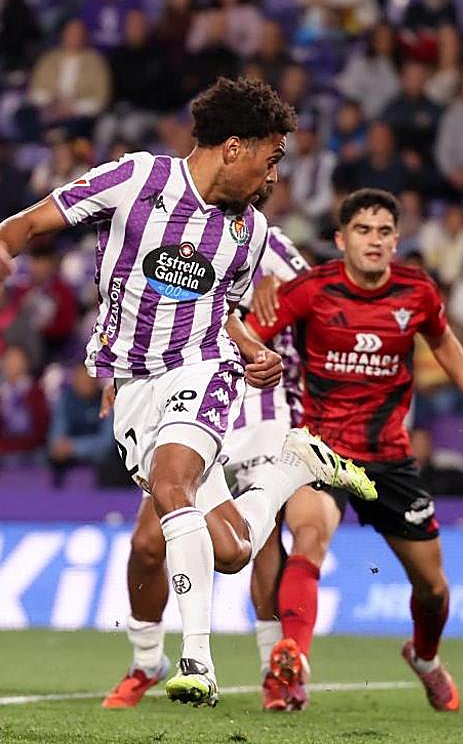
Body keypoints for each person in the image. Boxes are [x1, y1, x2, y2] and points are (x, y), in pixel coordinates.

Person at [0, 77, 376, 708]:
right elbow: (22, 227)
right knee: (229, 550)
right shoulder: (136, 180)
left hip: (201, 371)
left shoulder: (250, 233)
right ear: (234, 148)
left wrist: (251, 353)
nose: (274, 175)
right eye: (271, 157)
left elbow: (217, 317)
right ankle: (292, 469)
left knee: (173, 484)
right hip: (132, 385)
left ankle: (195, 659)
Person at [245, 188, 463, 713]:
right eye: (362, 231)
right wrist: (257, 300)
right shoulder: (310, 290)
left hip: (389, 459)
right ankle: (292, 663)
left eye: (384, 231)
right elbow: (245, 335)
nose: (374, 240)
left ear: (397, 240)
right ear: (341, 239)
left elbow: (443, 343)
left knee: (432, 588)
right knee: (308, 538)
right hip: (321, 450)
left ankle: (425, 658)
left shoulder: (416, 292)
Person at [100, 227, 312, 712]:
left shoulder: (268, 242)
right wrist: (121, 372)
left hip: (257, 408)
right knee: (147, 544)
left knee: (255, 545)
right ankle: (146, 659)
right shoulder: (172, 227)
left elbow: (316, 306)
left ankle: (270, 670)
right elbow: (140, 310)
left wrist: (278, 303)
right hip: (181, 401)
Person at [47, 362, 114, 484]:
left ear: (97, 381)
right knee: (49, 459)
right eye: (81, 380)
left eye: (89, 380)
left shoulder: (106, 400)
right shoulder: (65, 400)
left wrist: (74, 447)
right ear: (74, 381)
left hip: (100, 458)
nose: (85, 384)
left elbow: (107, 442)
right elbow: (56, 437)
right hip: (69, 458)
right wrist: (61, 448)